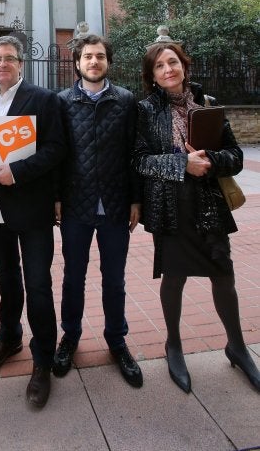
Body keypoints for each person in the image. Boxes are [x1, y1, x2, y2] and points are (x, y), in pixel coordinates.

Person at [134, 42, 260, 393]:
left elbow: (234, 155)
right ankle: (173, 345)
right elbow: (139, 160)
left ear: (184, 66)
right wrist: (181, 164)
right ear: (153, 76)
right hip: (170, 205)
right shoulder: (144, 110)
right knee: (174, 279)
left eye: (172, 62)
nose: (168, 69)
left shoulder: (208, 105)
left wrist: (211, 162)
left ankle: (236, 346)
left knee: (224, 275)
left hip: (208, 203)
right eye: (160, 66)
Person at [0, 35, 66, 408]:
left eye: (9, 58)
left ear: (21, 64)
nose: (2, 64)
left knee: (38, 284)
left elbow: (57, 149)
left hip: (32, 206)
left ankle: (42, 360)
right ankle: (9, 338)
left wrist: (18, 172)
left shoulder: (44, 99)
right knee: (6, 278)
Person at [53, 34, 143, 388]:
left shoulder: (125, 100)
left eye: (100, 56)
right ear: (76, 62)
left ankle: (116, 340)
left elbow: (134, 154)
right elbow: (57, 155)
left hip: (117, 206)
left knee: (114, 278)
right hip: (76, 204)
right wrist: (56, 197)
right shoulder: (61, 102)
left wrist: (136, 199)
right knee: (73, 276)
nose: (94, 62)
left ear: (108, 62)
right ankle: (69, 337)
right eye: (88, 56)